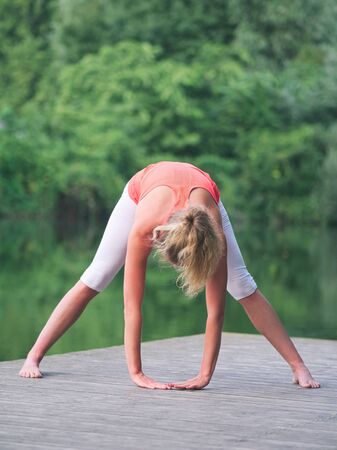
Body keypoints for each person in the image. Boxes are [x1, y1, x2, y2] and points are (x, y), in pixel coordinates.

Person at [19, 161, 320, 389]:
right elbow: (132, 307)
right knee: (97, 276)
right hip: (144, 189)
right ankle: (34, 355)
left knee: (241, 283)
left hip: (202, 193)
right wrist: (137, 373)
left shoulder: (213, 235)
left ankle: (297, 365)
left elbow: (215, 314)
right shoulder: (144, 227)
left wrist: (204, 375)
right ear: (160, 241)